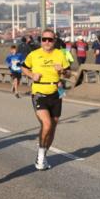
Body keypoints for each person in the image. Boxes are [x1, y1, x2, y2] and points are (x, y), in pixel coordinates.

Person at [22, 29, 71, 170]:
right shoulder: (34, 54)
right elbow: (24, 68)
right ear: (41, 40)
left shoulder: (60, 54)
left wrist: (62, 70)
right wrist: (31, 75)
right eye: (44, 39)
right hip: (39, 92)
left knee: (53, 127)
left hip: (56, 93)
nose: (47, 42)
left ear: (54, 41)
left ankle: (43, 154)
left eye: (50, 39)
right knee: (47, 124)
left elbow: (68, 73)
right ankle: (41, 156)